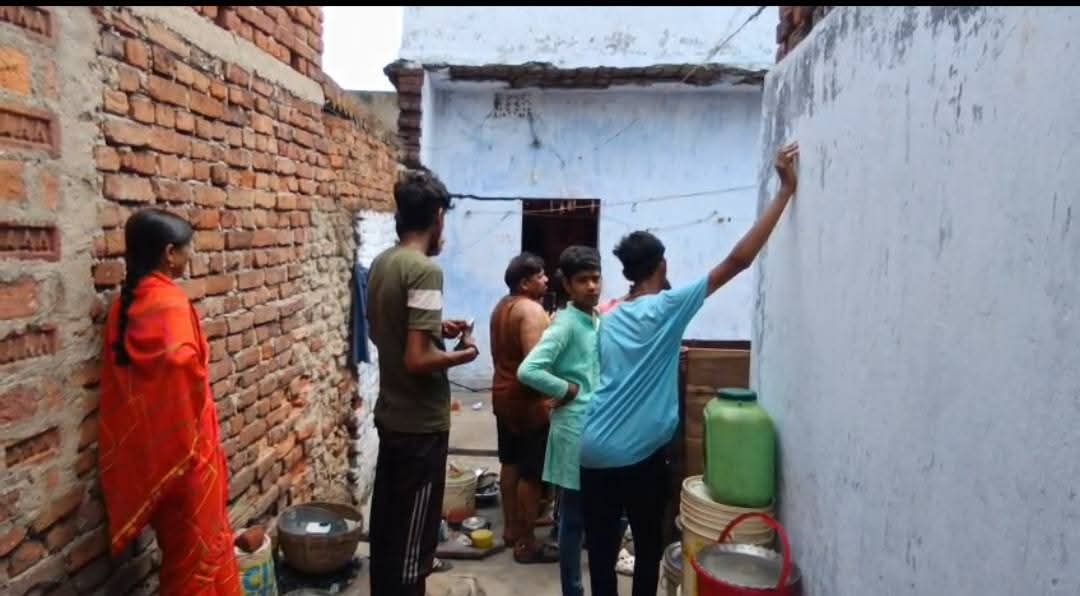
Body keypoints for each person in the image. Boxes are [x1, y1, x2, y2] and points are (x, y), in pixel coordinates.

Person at [580, 144, 801, 596]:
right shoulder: (668, 306)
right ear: (662, 266)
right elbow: (738, 261)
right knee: (647, 546)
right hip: (637, 456)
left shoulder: (607, 314)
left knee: (600, 552)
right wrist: (784, 192)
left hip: (591, 448)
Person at [99, 209, 240, 596]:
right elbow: (181, 367)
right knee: (196, 558)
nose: (191, 255)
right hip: (188, 455)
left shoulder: (123, 306)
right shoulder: (171, 303)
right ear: (169, 253)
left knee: (183, 551)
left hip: (155, 457)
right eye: (188, 248)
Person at [367, 168, 479, 596]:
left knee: (389, 531)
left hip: (392, 416)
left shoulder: (384, 262)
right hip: (420, 426)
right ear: (438, 217)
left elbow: (386, 331)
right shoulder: (424, 270)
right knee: (414, 546)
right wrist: (464, 353)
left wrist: (435, 329)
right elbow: (418, 359)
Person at [518, 246, 603, 596]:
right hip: (573, 429)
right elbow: (529, 370)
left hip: (594, 428)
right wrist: (566, 389)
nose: (592, 286)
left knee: (588, 514)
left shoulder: (594, 318)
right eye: (583, 280)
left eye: (596, 278)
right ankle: (572, 588)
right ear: (567, 285)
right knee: (573, 519)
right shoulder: (566, 324)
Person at [489, 252, 560, 564]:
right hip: (527, 401)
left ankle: (511, 530)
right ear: (524, 283)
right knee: (531, 474)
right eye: (540, 275)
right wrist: (558, 394)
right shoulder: (530, 310)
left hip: (503, 395)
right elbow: (535, 367)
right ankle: (526, 543)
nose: (546, 279)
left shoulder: (502, 307)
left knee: (510, 463)